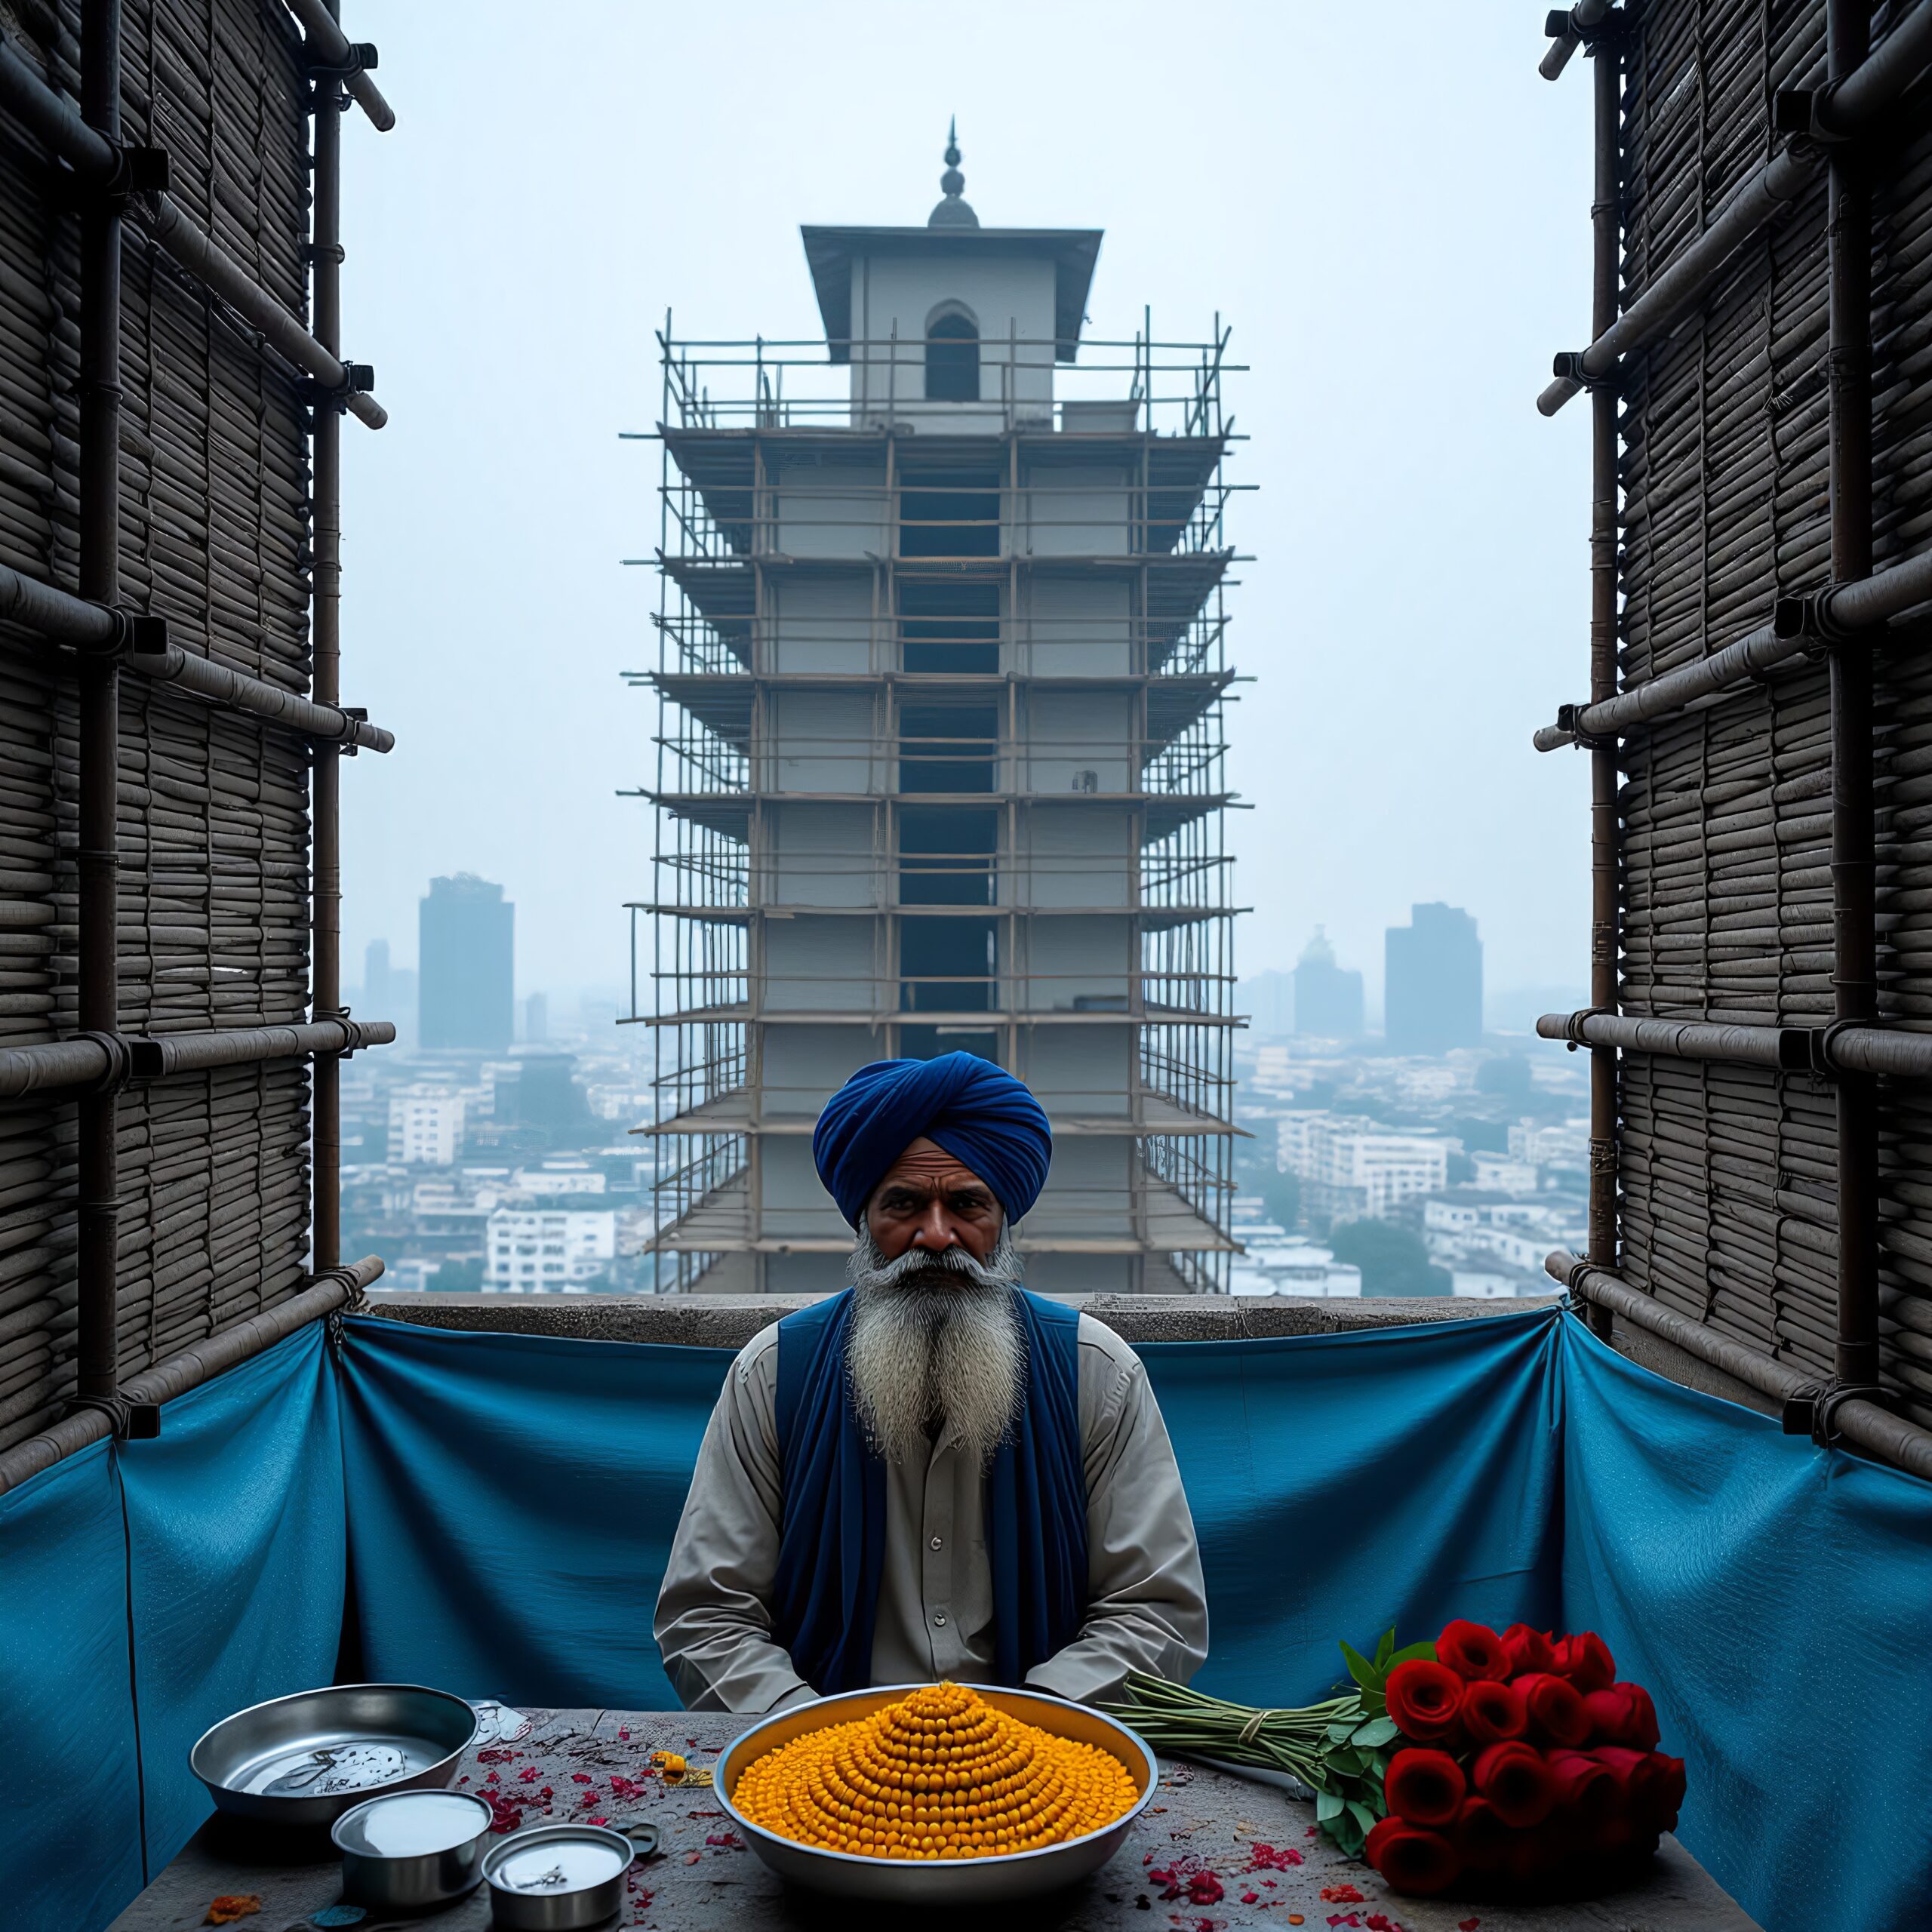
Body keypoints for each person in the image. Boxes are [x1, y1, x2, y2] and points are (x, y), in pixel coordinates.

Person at [654, 1052, 1208, 1712]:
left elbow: (1157, 1614)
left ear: (1003, 1220)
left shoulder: (1096, 1371)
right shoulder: (773, 1375)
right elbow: (707, 1619)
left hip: (1039, 1760)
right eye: (905, 1204)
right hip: (826, 1764)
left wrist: (1022, 1729)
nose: (937, 1235)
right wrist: (811, 1739)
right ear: (864, 1219)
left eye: (968, 1204)